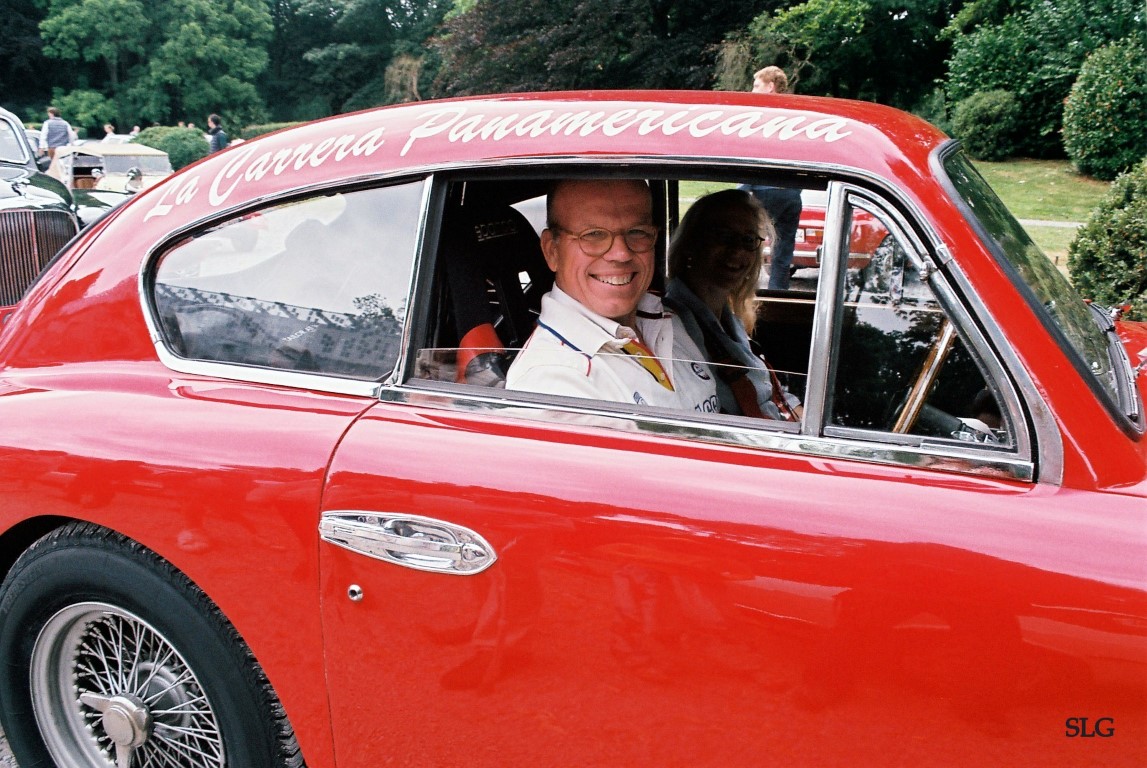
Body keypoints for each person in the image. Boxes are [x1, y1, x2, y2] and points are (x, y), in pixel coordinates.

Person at [505, 178, 718, 413]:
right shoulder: (554, 383)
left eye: (637, 232)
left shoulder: (668, 321)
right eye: (593, 234)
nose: (621, 253)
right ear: (552, 251)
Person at [664, 189, 802, 420]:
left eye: (748, 240)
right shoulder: (675, 325)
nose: (737, 250)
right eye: (723, 236)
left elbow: (765, 389)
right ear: (691, 244)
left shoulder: (728, 317)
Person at [744, 65, 803, 290]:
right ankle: (778, 294)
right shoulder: (795, 116)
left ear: (770, 87)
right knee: (783, 251)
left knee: (748, 242)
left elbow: (754, 154)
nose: (752, 91)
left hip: (764, 189)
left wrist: (743, 189)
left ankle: (744, 292)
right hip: (791, 193)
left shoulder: (762, 117)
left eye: (756, 85)